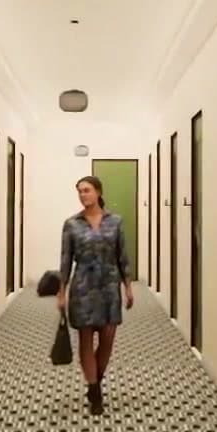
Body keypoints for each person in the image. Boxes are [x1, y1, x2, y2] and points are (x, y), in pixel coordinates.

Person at [57, 176, 135, 415]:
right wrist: (62, 291)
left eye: (87, 190)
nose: (83, 195)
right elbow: (65, 260)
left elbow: (122, 256)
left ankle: (96, 379)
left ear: (98, 192)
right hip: (83, 286)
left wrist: (128, 286)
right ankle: (94, 391)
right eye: (80, 191)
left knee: (108, 337)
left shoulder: (116, 221)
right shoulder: (71, 224)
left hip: (109, 286)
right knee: (85, 338)